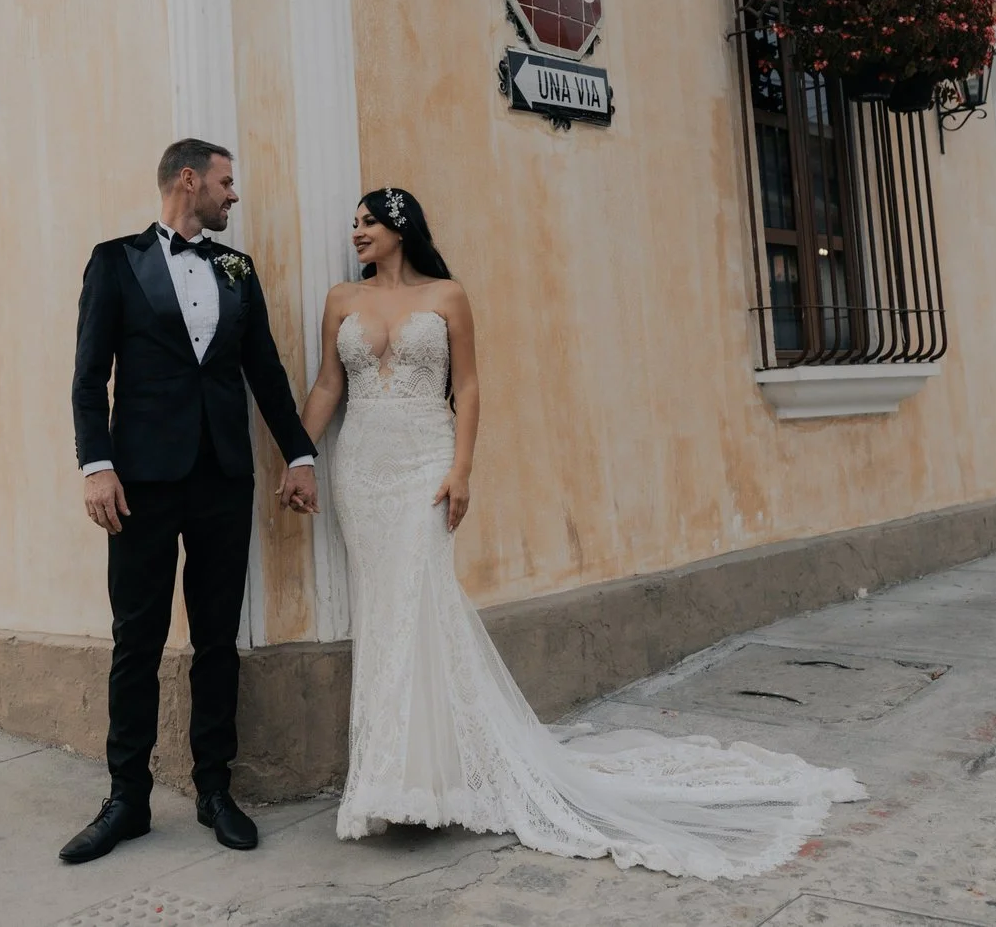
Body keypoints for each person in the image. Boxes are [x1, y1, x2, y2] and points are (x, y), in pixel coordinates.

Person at [297, 186, 866, 879]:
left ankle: (424, 777)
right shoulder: (341, 300)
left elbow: (467, 388)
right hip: (364, 468)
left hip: (425, 464)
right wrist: (299, 457)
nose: (357, 232)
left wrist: (462, 469)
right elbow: (328, 386)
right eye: (354, 223)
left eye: (369, 222)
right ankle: (397, 778)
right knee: (384, 612)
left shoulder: (447, 296)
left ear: (400, 228)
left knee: (420, 604)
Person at [61, 139, 320, 864]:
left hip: (223, 479)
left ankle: (215, 788)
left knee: (216, 639)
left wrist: (300, 452)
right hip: (140, 483)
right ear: (188, 179)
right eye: (225, 181)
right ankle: (127, 798)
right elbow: (89, 376)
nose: (233, 194)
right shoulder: (114, 261)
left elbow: (264, 369)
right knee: (136, 640)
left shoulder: (237, 268)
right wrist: (96, 467)